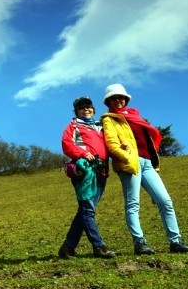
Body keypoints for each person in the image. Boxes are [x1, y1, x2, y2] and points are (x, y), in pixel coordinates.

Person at [100, 84, 188, 255]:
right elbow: (111, 144)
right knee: (133, 204)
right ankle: (140, 243)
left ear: (126, 99)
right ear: (108, 101)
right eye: (114, 98)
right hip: (130, 163)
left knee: (165, 201)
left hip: (147, 164)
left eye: (121, 97)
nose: (118, 100)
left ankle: (176, 242)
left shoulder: (137, 117)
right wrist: (127, 157)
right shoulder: (109, 119)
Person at [58, 96, 115, 259]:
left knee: (85, 211)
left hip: (101, 171)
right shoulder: (73, 126)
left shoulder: (100, 127)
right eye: (81, 107)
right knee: (87, 211)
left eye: (88, 107)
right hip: (85, 172)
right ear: (76, 111)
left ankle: (67, 248)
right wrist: (84, 153)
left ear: (94, 109)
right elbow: (67, 145)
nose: (86, 109)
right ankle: (99, 246)